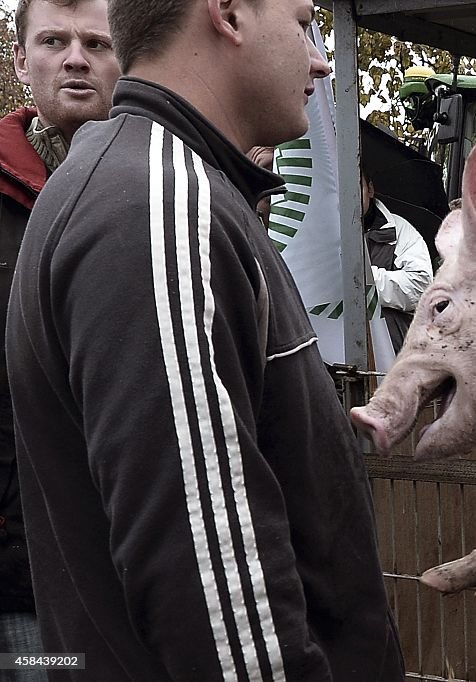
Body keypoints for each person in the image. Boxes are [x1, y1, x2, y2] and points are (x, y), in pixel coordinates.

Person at [5, 0, 404, 679]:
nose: (317, 57)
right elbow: (215, 597)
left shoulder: (165, 185)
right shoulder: (158, 206)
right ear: (228, 13)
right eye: (302, 20)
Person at [1, 0, 119, 671]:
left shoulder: (168, 191)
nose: (75, 57)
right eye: (52, 40)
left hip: (137, 563)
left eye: (96, 43)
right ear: (21, 60)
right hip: (19, 582)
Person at [361, 166, 433, 352]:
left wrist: (364, 279)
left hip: (390, 351)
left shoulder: (400, 230)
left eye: (355, 187)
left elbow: (420, 287)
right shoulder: (321, 234)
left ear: (369, 189)